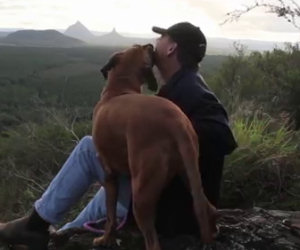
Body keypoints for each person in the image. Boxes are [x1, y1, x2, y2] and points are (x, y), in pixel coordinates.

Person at [0, 22, 237, 248]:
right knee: (107, 180)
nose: (156, 41)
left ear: (171, 48)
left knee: (88, 148)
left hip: (174, 205)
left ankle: (35, 225)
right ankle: (60, 237)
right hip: (166, 192)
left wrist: (168, 133)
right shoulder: (178, 86)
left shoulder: (192, 89)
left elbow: (222, 135)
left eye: (161, 37)